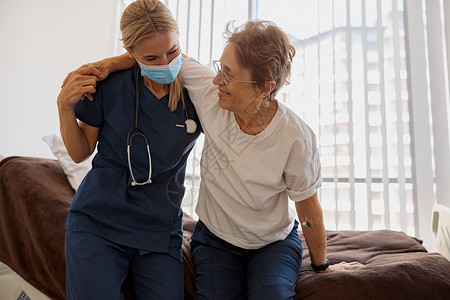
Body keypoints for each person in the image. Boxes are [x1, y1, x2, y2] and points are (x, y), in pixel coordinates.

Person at [92, 19, 362, 300]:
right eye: (220, 67)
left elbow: (308, 210)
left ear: (264, 88)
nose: (217, 79)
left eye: (229, 75)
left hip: (273, 243)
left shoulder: (295, 137)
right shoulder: (211, 95)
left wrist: (322, 266)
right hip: (215, 240)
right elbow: (165, 56)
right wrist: (110, 64)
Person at [57, 0, 201, 299]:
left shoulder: (196, 90)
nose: (165, 64)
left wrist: (113, 61)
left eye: (172, 52)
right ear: (131, 53)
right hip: (99, 220)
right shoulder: (111, 85)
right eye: (151, 56)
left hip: (160, 226)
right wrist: (63, 108)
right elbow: (80, 152)